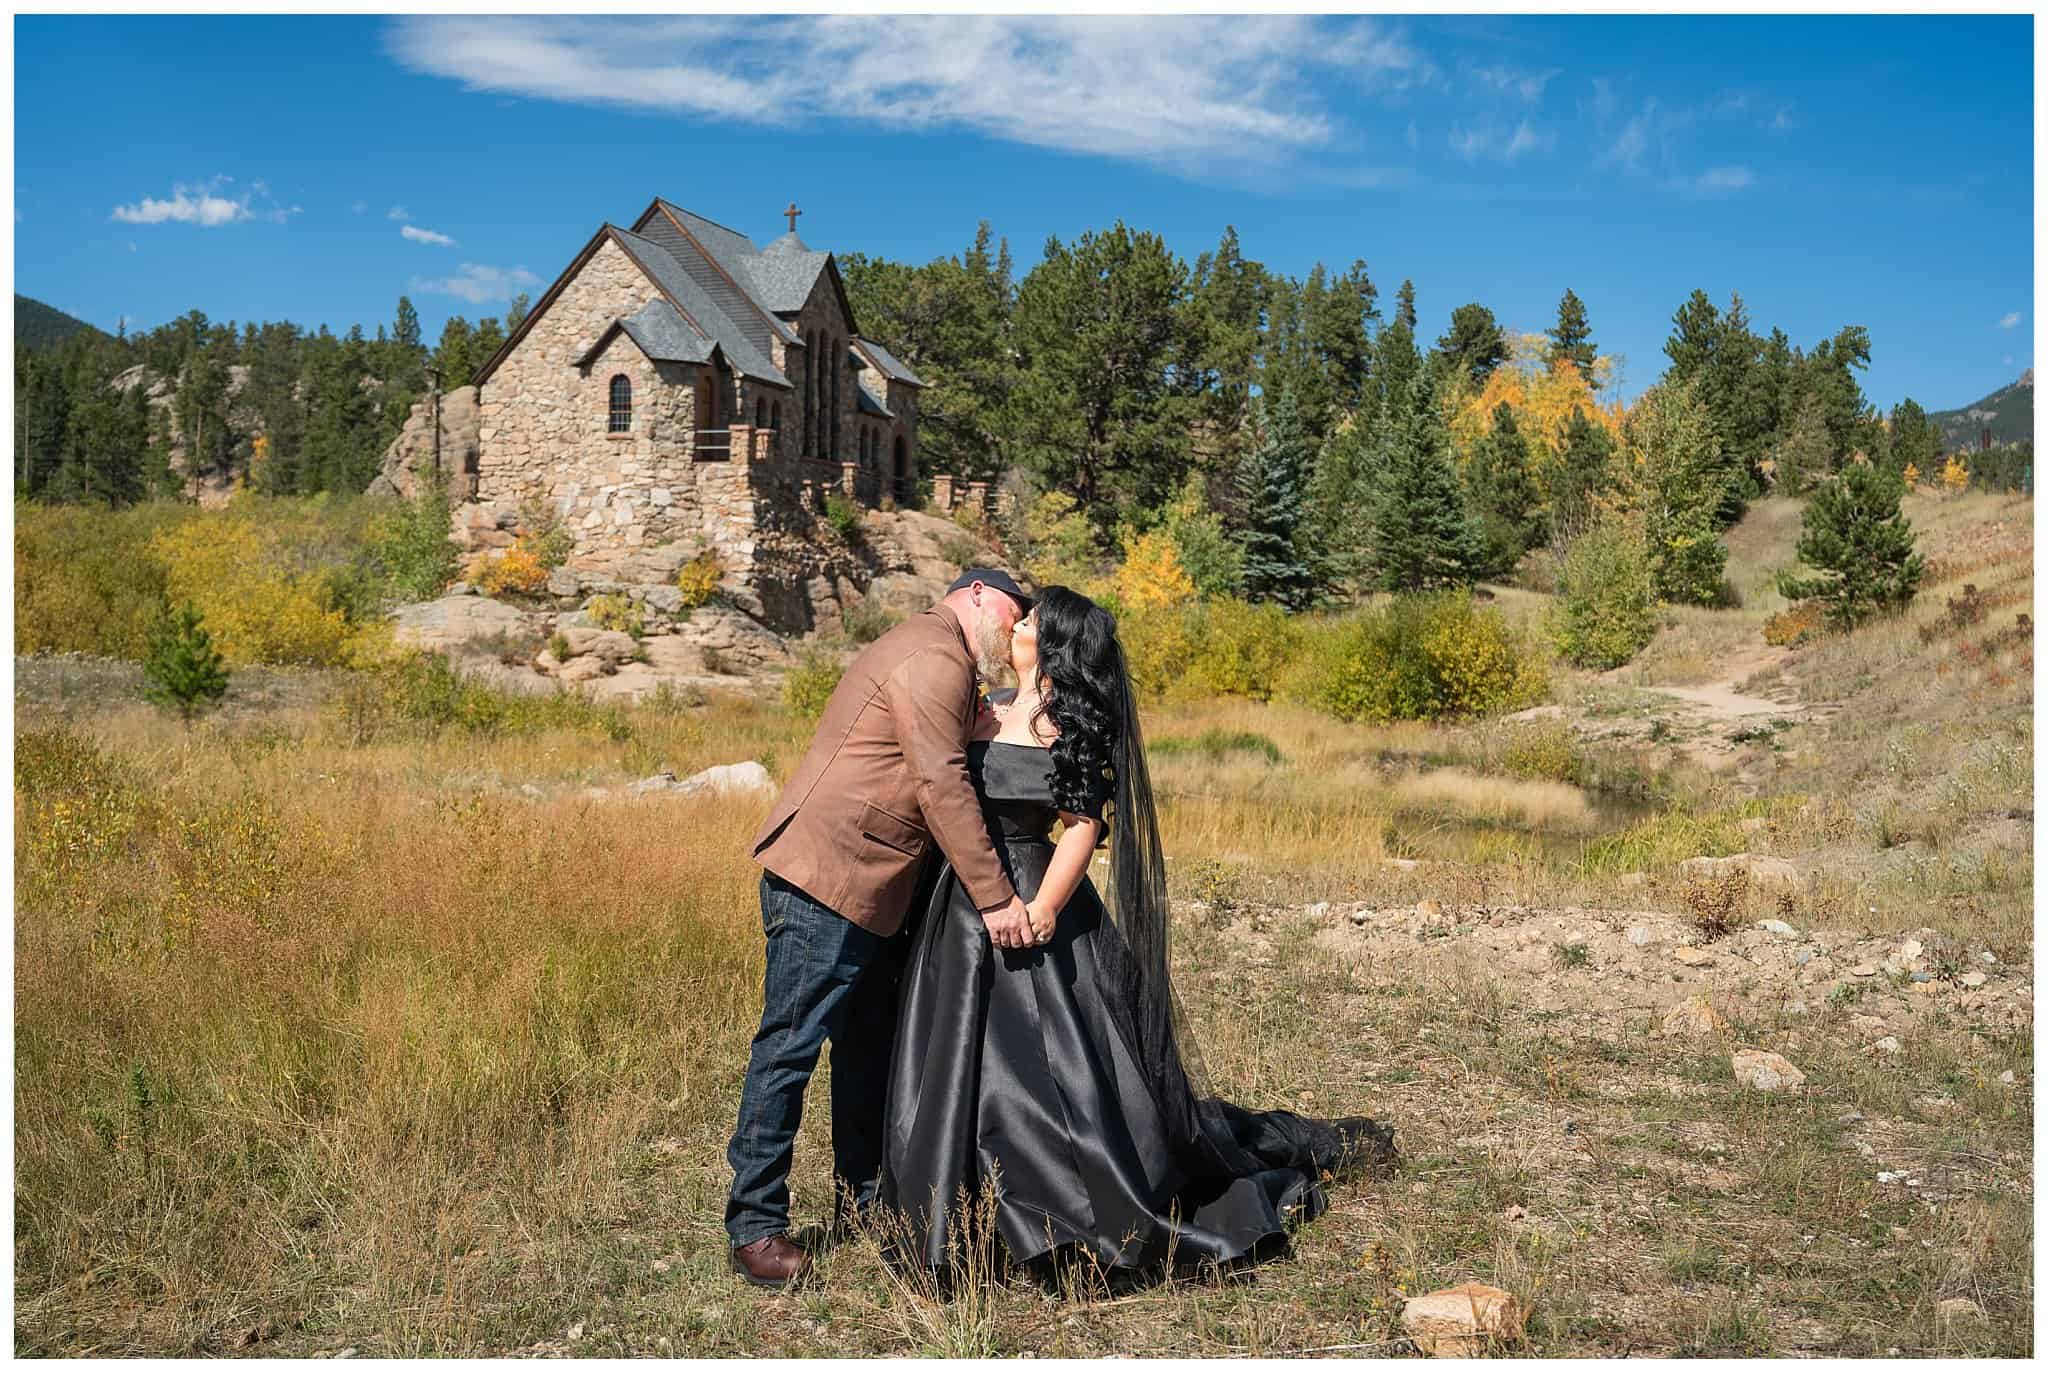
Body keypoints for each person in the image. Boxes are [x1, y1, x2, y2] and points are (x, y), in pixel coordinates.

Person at [878, 586, 1395, 1285]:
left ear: (1053, 643)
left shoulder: (1067, 723)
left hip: (1032, 901)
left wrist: (1045, 907)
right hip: (960, 911)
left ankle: (1059, 1201)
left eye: (1029, 620)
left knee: (1048, 1070)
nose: (1017, 624)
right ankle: (953, 1206)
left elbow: (1082, 826)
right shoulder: (985, 707)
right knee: (957, 1061)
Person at [726, 569, 1039, 1290]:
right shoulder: (933, 656)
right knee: (789, 1048)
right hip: (826, 879)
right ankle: (754, 1225)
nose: (1012, 632)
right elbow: (940, 781)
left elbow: (951, 741)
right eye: (1013, 614)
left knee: (866, 1052)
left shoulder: (937, 656)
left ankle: (864, 1199)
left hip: (865, 887)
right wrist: (995, 898)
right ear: (979, 596)